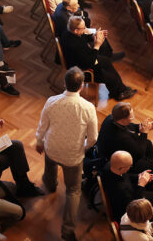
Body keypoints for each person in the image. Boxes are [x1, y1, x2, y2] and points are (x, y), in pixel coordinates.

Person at [35, 66, 100, 241]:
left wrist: (39, 141)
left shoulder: (52, 101)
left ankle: (50, 186)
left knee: (50, 169)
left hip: (52, 148)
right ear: (82, 85)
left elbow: (43, 125)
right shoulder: (88, 107)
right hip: (73, 155)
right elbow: (93, 138)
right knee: (73, 191)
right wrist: (83, 147)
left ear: (64, 83)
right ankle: (67, 230)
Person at [59, 15, 136, 101]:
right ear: (76, 30)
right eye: (83, 28)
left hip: (83, 60)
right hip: (82, 71)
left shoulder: (68, 32)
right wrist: (97, 46)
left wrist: (93, 36)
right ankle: (119, 93)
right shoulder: (74, 45)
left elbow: (82, 38)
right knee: (111, 77)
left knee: (106, 61)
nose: (85, 29)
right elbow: (89, 62)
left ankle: (119, 91)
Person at [96, 103, 153, 185]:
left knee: (148, 143)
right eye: (131, 117)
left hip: (116, 149)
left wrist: (140, 127)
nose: (133, 119)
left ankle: (149, 169)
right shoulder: (121, 137)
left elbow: (128, 126)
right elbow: (139, 153)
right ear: (122, 120)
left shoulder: (111, 117)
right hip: (116, 162)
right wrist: (144, 132)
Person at [101, 151, 153, 226]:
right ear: (121, 168)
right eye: (129, 166)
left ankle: (151, 213)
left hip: (129, 196)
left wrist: (139, 176)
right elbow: (134, 204)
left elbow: (126, 176)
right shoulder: (120, 189)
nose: (130, 168)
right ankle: (147, 218)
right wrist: (141, 184)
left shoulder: (110, 166)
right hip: (130, 210)